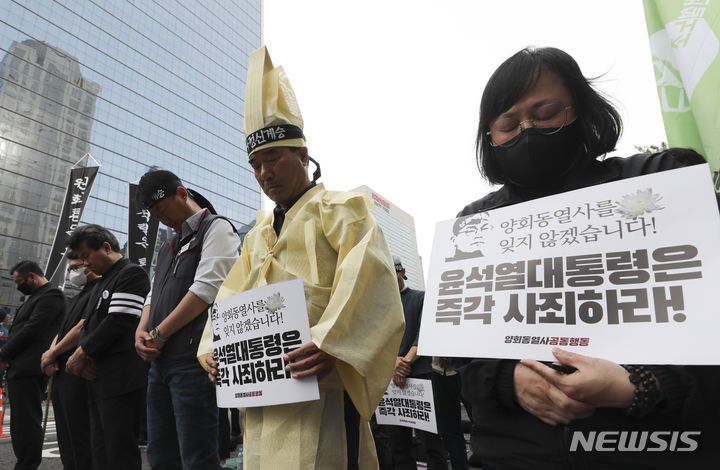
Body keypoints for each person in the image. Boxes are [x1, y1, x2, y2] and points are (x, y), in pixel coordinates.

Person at [458, 46, 720, 469]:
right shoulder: (474, 225)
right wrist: (510, 380)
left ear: (581, 109)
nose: (527, 130)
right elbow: (462, 355)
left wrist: (644, 385)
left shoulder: (660, 180)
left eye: (545, 114)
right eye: (508, 124)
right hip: (512, 455)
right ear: (490, 137)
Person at [198, 45, 405, 470]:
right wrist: (215, 348)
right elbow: (229, 297)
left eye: (272, 157)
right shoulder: (256, 233)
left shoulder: (344, 210)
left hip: (321, 388)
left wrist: (331, 343)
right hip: (263, 398)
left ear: (302, 155)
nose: (263, 173)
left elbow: (370, 279)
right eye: (255, 164)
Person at [134, 169, 240, 470]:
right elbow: (153, 294)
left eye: (162, 209)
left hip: (193, 360)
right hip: (160, 362)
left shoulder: (216, 228)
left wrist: (159, 333)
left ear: (182, 194)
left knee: (197, 456)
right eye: (153, 214)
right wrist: (142, 330)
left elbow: (206, 290)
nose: (161, 218)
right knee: (160, 454)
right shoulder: (169, 245)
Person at [65, 225, 150, 470]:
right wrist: (86, 355)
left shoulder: (131, 274)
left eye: (86, 256)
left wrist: (82, 353)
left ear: (106, 247)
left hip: (121, 379)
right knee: (99, 451)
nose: (85, 264)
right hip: (97, 378)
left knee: (119, 452)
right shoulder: (102, 282)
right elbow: (88, 326)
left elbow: (119, 321)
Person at [0, 261, 64, 470]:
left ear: (32, 277)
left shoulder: (51, 296)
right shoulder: (37, 296)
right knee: (19, 422)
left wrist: (3, 353)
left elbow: (31, 330)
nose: (19, 286)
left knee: (27, 422)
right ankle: (24, 462)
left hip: (30, 367)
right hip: (19, 367)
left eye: (20, 282)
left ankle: (27, 465)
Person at [386, 255, 446, 470]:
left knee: (431, 440)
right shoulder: (378, 306)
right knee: (397, 443)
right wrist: (392, 362)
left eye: (392, 272)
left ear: (402, 272)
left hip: (420, 376)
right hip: (389, 379)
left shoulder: (421, 298)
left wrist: (403, 363)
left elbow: (425, 335)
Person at [41, 251, 99, 470]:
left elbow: (81, 326)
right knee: (66, 436)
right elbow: (64, 329)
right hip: (61, 372)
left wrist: (52, 353)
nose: (72, 272)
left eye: (76, 267)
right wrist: (50, 353)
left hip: (79, 370)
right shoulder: (79, 294)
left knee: (80, 436)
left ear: (89, 263)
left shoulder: (100, 290)